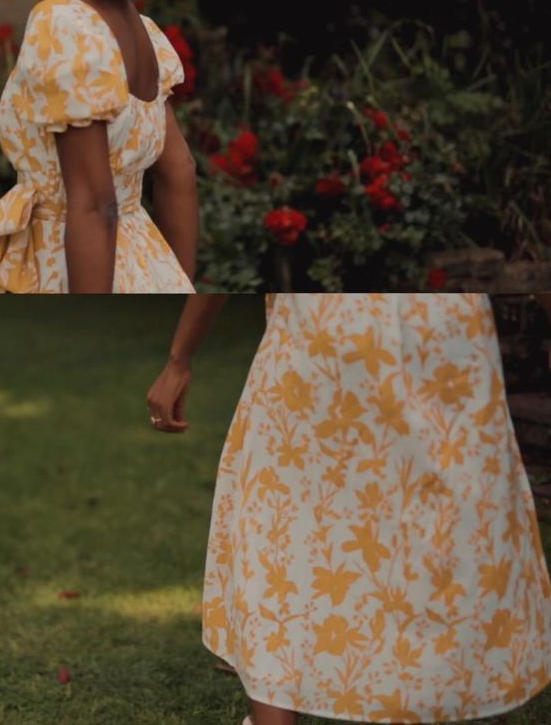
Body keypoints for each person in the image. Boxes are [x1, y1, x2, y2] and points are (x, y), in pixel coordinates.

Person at [146, 293, 551, 725]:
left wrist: (179, 358)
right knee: (461, 520)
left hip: (327, 334)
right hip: (441, 336)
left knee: (285, 527)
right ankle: (469, 693)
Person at [0, 0, 198, 294]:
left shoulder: (62, 22)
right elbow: (179, 172)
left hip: (71, 267)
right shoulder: (139, 27)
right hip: (146, 268)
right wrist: (178, 284)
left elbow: (95, 205)